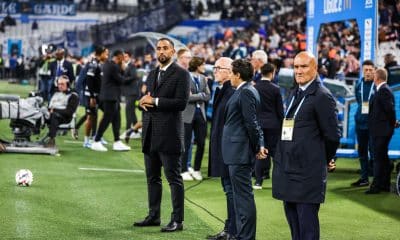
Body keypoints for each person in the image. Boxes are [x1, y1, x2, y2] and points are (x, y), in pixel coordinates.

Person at [272, 51, 340, 240]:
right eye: (296, 67)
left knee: (307, 227)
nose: (299, 71)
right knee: (294, 225)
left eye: (304, 66)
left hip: (307, 172)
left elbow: (333, 135)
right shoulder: (296, 92)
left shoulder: (322, 96)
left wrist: (325, 158)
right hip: (288, 169)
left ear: (315, 68)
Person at [133, 38, 190, 232]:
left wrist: (154, 101)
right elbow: (147, 98)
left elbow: (181, 103)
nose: (161, 52)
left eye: (165, 48)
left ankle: (177, 220)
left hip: (169, 135)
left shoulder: (182, 74)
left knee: (173, 179)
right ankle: (154, 215)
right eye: (158, 49)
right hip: (150, 133)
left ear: (173, 52)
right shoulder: (152, 73)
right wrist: (143, 102)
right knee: (152, 178)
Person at [222, 59, 267, 240]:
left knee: (243, 198)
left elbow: (252, 123)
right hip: (237, 151)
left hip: (239, 152)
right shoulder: (245, 90)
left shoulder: (246, 91)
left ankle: (246, 237)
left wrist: (257, 146)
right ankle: (243, 235)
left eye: (231, 72)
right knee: (241, 197)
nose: (230, 76)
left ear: (238, 75)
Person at [206, 57, 237, 240]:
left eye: (219, 68)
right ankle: (229, 229)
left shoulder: (233, 92)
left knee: (231, 191)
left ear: (230, 71)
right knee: (228, 190)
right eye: (215, 67)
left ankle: (233, 231)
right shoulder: (223, 90)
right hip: (223, 148)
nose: (215, 70)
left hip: (230, 151)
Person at [90, 49, 131, 152]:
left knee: (117, 118)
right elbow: (121, 80)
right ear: (119, 56)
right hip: (109, 97)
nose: (124, 59)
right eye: (123, 57)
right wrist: (128, 73)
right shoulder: (112, 66)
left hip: (112, 96)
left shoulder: (109, 64)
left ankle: (117, 142)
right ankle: (96, 141)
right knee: (107, 119)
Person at [253, 63, 284, 189]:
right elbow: (280, 111)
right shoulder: (276, 89)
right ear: (273, 72)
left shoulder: (255, 88)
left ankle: (258, 181)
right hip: (273, 125)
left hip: (259, 124)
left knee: (260, 153)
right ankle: (277, 182)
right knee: (276, 154)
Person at [366, 67, 396, 194]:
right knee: (382, 158)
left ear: (376, 78)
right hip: (380, 130)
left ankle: (376, 186)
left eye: (373, 75)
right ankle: (384, 184)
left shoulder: (384, 91)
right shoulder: (382, 90)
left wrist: (392, 123)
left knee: (378, 159)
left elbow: (390, 110)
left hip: (382, 131)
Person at [181, 56, 211, 181]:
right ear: (197, 65)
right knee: (186, 143)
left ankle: (197, 169)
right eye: (203, 65)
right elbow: (186, 97)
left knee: (202, 143)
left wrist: (196, 95)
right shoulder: (185, 77)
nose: (204, 67)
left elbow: (208, 96)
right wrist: (201, 95)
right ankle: (183, 170)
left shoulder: (203, 79)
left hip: (201, 114)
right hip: (187, 115)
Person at [351, 60, 375, 187]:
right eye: (366, 70)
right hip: (360, 123)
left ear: (374, 71)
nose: (368, 72)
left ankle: (376, 180)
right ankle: (364, 178)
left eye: (371, 70)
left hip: (372, 124)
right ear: (362, 71)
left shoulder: (377, 86)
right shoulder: (358, 85)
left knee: (374, 152)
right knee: (362, 151)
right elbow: (358, 100)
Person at [82, 46, 109, 148]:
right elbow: (89, 80)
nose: (107, 56)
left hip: (99, 95)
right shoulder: (93, 64)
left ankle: (96, 136)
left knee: (106, 113)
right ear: (100, 54)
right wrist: (92, 97)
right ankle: (86, 141)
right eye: (106, 54)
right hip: (91, 95)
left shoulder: (99, 64)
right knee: (90, 117)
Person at [45, 75, 79, 148]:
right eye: (59, 84)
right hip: (51, 114)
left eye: (62, 84)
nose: (60, 86)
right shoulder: (56, 93)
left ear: (68, 84)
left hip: (65, 117)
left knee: (54, 115)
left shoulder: (73, 96)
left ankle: (51, 140)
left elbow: (69, 112)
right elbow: (49, 106)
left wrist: (54, 110)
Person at [121, 50, 140, 139]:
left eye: (125, 56)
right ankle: (135, 131)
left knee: (128, 112)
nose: (124, 58)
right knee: (132, 113)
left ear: (129, 57)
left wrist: (122, 79)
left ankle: (128, 132)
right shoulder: (125, 66)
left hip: (132, 92)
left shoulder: (131, 66)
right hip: (129, 92)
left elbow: (134, 76)